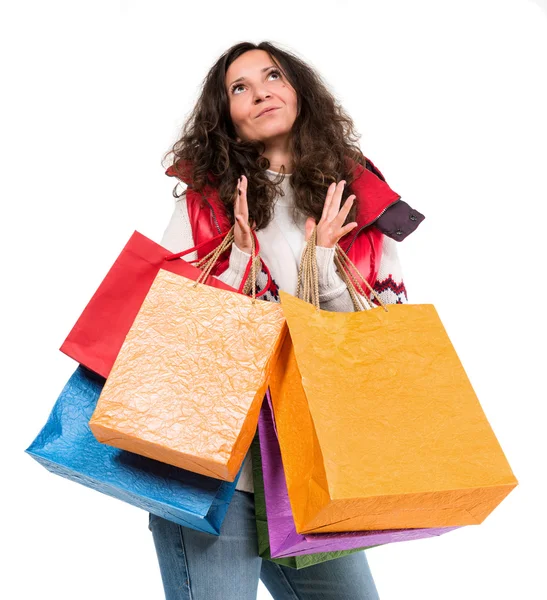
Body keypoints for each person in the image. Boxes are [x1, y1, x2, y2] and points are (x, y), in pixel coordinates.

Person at [148, 41, 425, 600]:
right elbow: (171, 335)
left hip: (307, 472)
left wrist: (322, 264)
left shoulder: (357, 202)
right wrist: (243, 262)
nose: (260, 93)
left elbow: (376, 346)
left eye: (271, 75)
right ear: (227, 116)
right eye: (239, 88)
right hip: (213, 469)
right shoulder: (206, 205)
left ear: (298, 89)